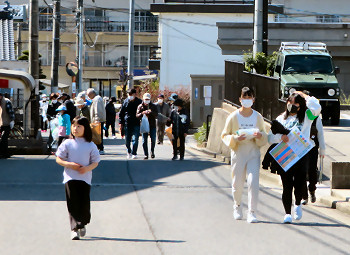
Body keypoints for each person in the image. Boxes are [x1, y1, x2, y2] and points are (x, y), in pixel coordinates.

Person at [267, 91, 321, 223]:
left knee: (299, 182)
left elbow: (317, 107)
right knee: (287, 185)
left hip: (301, 154)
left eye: (296, 103)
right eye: (290, 102)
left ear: (300, 105)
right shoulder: (281, 119)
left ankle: (297, 204)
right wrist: (281, 137)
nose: (292, 105)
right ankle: (287, 213)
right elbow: (270, 137)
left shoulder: (307, 117)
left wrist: (304, 96)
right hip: (285, 156)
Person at [221, 87, 268, 223]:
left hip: (253, 153)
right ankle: (237, 205)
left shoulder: (257, 116)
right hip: (238, 153)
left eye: (249, 97)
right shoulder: (233, 116)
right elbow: (224, 135)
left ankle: (252, 212)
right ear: (240, 99)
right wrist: (235, 139)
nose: (247, 100)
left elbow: (264, 135)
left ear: (253, 99)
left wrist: (260, 135)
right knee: (237, 183)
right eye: (244, 98)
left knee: (253, 182)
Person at [55, 116, 100, 240]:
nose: (75, 128)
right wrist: (68, 164)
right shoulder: (67, 143)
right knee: (72, 202)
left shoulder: (90, 145)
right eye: (74, 126)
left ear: (86, 128)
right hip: (70, 177)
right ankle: (74, 229)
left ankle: (82, 223)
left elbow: (96, 161)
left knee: (84, 203)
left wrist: (87, 168)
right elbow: (58, 158)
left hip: (85, 178)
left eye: (79, 126)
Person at [301, 115, 326, 204]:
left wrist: (322, 150)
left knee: (312, 170)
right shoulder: (299, 115)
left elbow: (320, 134)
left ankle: (312, 190)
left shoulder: (315, 118)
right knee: (302, 171)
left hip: (313, 148)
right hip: (300, 147)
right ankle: (304, 196)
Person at [119, 88, 142, 159]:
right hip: (127, 123)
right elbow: (121, 113)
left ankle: (134, 153)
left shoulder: (139, 102)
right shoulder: (125, 102)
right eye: (129, 94)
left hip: (136, 122)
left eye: (132, 94)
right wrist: (121, 123)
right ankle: (129, 151)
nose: (130, 96)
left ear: (135, 94)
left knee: (135, 139)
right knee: (127, 139)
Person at [136, 93, 158, 159]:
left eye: (148, 99)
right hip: (144, 125)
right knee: (144, 140)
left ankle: (152, 152)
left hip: (152, 124)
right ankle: (146, 154)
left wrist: (150, 112)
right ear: (143, 99)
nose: (146, 100)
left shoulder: (153, 106)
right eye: (145, 99)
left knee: (153, 139)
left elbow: (156, 114)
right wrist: (142, 113)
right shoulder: (140, 106)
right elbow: (137, 115)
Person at [87, 88, 106, 155]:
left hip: (97, 120)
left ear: (92, 94)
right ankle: (99, 148)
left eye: (88, 95)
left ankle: (100, 148)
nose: (88, 96)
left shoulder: (97, 99)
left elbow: (98, 110)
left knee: (98, 135)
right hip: (97, 120)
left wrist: (96, 119)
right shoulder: (96, 99)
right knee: (97, 135)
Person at [0, 92, 15, 159]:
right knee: (3, 139)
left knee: (4, 139)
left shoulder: (6, 101)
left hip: (6, 123)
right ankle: (3, 153)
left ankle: (4, 153)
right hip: (1, 123)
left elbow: (10, 112)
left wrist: (12, 121)